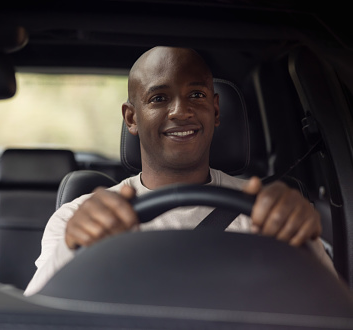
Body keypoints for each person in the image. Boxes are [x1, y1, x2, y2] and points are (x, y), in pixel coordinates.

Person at [23, 46, 335, 296]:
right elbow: (34, 318)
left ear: (215, 110)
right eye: (159, 98)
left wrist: (306, 244)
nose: (180, 111)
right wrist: (74, 249)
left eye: (196, 95)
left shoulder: (270, 213)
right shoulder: (79, 218)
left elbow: (329, 310)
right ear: (131, 118)